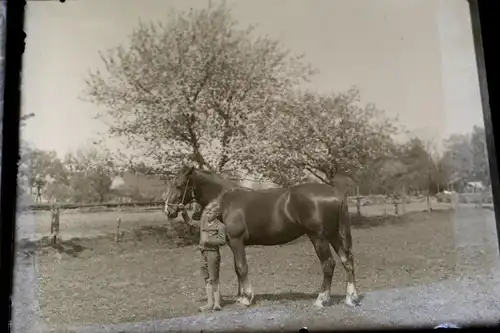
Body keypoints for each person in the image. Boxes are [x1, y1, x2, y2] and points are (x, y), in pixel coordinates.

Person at [179, 199, 227, 312]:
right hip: (203, 253)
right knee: (207, 279)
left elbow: (222, 241)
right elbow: (190, 222)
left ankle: (217, 304)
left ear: (217, 214)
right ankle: (209, 303)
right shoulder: (203, 223)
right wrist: (184, 212)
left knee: (214, 279)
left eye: (210, 213)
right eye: (207, 212)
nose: (207, 214)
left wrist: (209, 241)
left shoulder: (220, 226)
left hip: (213, 254)